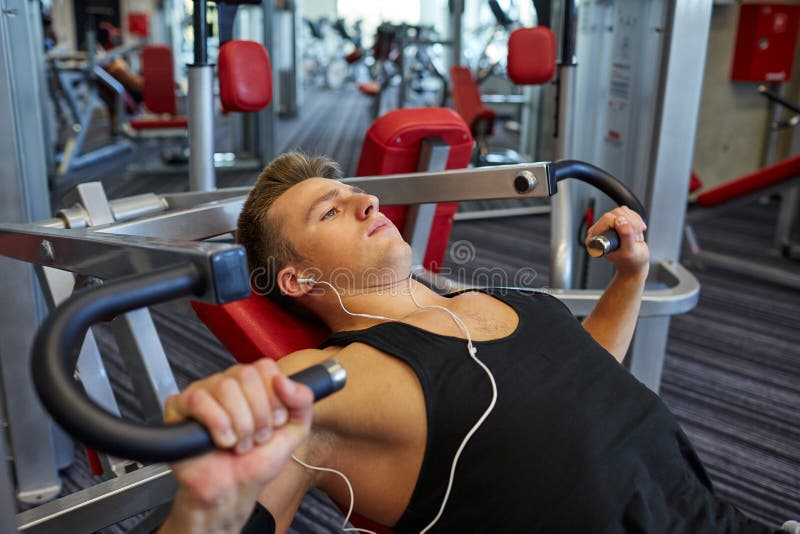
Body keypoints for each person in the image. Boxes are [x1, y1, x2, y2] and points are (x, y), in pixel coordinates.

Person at [164, 152, 791, 533]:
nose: (366, 202)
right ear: (298, 277)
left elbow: (584, 375)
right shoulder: (325, 379)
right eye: (330, 211)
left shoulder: (483, 298)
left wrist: (629, 277)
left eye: (355, 193)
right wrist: (204, 507)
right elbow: (240, 502)